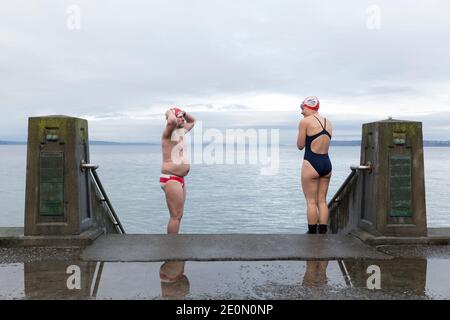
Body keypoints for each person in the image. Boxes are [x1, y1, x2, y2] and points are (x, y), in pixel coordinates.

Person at [296, 96, 332, 234]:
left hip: (311, 163)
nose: (301, 112)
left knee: (311, 202)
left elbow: (300, 146)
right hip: (326, 163)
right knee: (322, 201)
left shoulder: (304, 122)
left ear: (308, 107)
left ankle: (311, 233)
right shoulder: (328, 122)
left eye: (302, 108)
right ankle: (323, 231)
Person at [160, 107, 195, 234]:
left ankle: (174, 244)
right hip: (171, 178)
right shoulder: (168, 133)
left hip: (180, 179)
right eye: (179, 116)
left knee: (179, 215)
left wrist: (183, 113)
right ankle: (171, 248)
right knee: (174, 216)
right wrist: (169, 111)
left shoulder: (181, 132)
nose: (182, 118)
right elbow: (171, 122)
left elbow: (193, 121)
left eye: (182, 117)